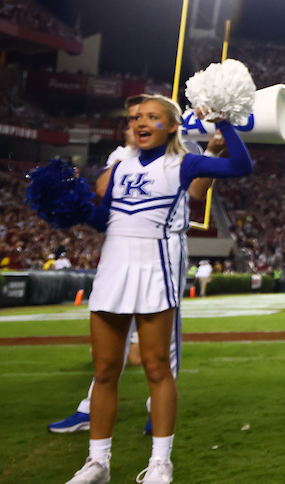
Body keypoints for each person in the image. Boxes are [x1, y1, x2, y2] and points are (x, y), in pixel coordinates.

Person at [61, 95, 251, 484]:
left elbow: (240, 165)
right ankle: (98, 462)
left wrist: (225, 123)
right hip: (113, 269)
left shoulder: (183, 163)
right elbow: (105, 220)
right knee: (104, 370)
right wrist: (73, 207)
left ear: (171, 126)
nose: (140, 122)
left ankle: (161, 462)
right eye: (134, 118)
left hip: (154, 270)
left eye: (151, 116)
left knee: (156, 367)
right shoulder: (116, 167)